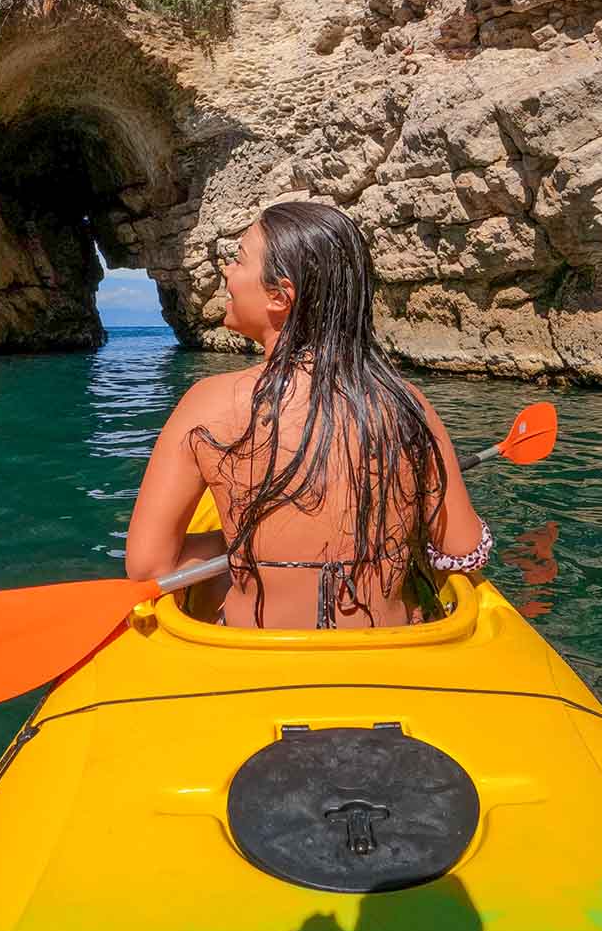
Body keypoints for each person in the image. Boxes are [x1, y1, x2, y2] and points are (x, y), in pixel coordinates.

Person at [125, 202, 491, 629]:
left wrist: (246, 540)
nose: (226, 271)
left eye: (239, 259)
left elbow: (150, 567)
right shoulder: (406, 403)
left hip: (254, 654)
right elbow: (465, 550)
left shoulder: (207, 404)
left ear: (280, 296)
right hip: (390, 652)